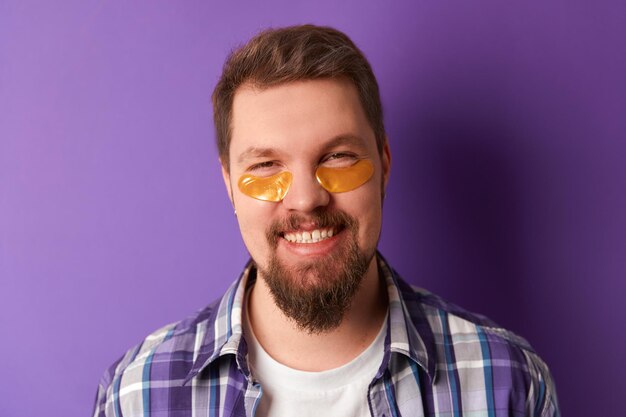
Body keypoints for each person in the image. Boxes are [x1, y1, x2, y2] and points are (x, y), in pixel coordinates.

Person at [93, 24, 559, 417]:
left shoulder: (509, 382)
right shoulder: (137, 395)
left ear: (384, 164)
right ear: (230, 183)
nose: (306, 199)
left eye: (337, 157)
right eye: (265, 166)